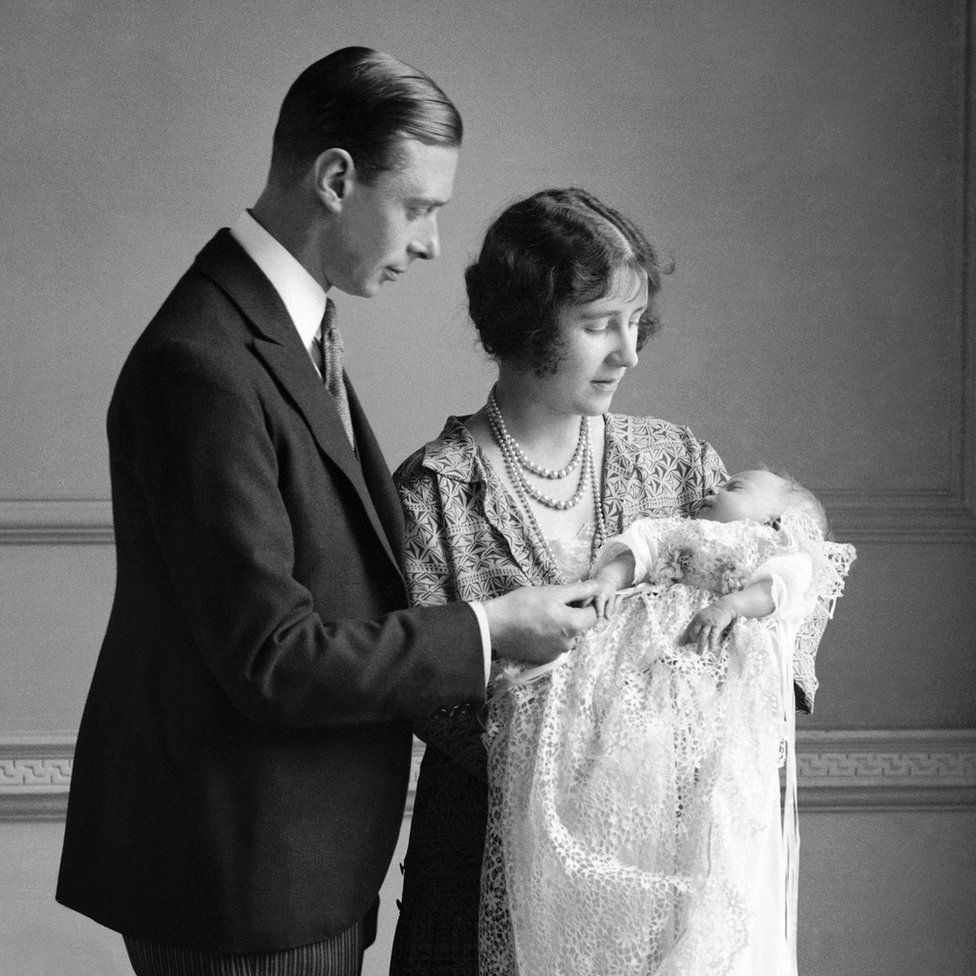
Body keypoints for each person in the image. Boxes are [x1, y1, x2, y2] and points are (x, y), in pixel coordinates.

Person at [55, 49, 601, 976]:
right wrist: (488, 629)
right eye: (419, 208)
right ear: (338, 178)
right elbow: (272, 656)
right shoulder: (206, 361)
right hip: (245, 880)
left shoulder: (282, 330)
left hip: (295, 863)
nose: (431, 243)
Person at [389, 187, 727, 976]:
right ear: (526, 323)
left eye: (635, 322)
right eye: (599, 324)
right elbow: (426, 690)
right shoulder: (432, 492)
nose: (629, 353)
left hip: (660, 878)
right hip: (477, 876)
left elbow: (783, 609)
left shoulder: (677, 463)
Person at [481, 470, 855, 976]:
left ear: (778, 520)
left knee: (695, 777)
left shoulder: (772, 547)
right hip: (635, 653)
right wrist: (608, 581)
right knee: (616, 723)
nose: (714, 489)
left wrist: (729, 605)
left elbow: (780, 589)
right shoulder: (680, 529)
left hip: (701, 662)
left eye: (736, 488)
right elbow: (640, 548)